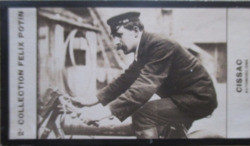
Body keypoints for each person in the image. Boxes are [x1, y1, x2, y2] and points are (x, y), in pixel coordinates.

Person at [71, 11, 217, 139]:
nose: (116, 43)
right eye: (114, 37)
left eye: (119, 35)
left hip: (198, 98)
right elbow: (125, 80)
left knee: (143, 114)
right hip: (182, 98)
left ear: (135, 30)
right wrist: (91, 100)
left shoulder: (161, 45)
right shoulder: (145, 49)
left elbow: (144, 86)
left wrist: (104, 112)